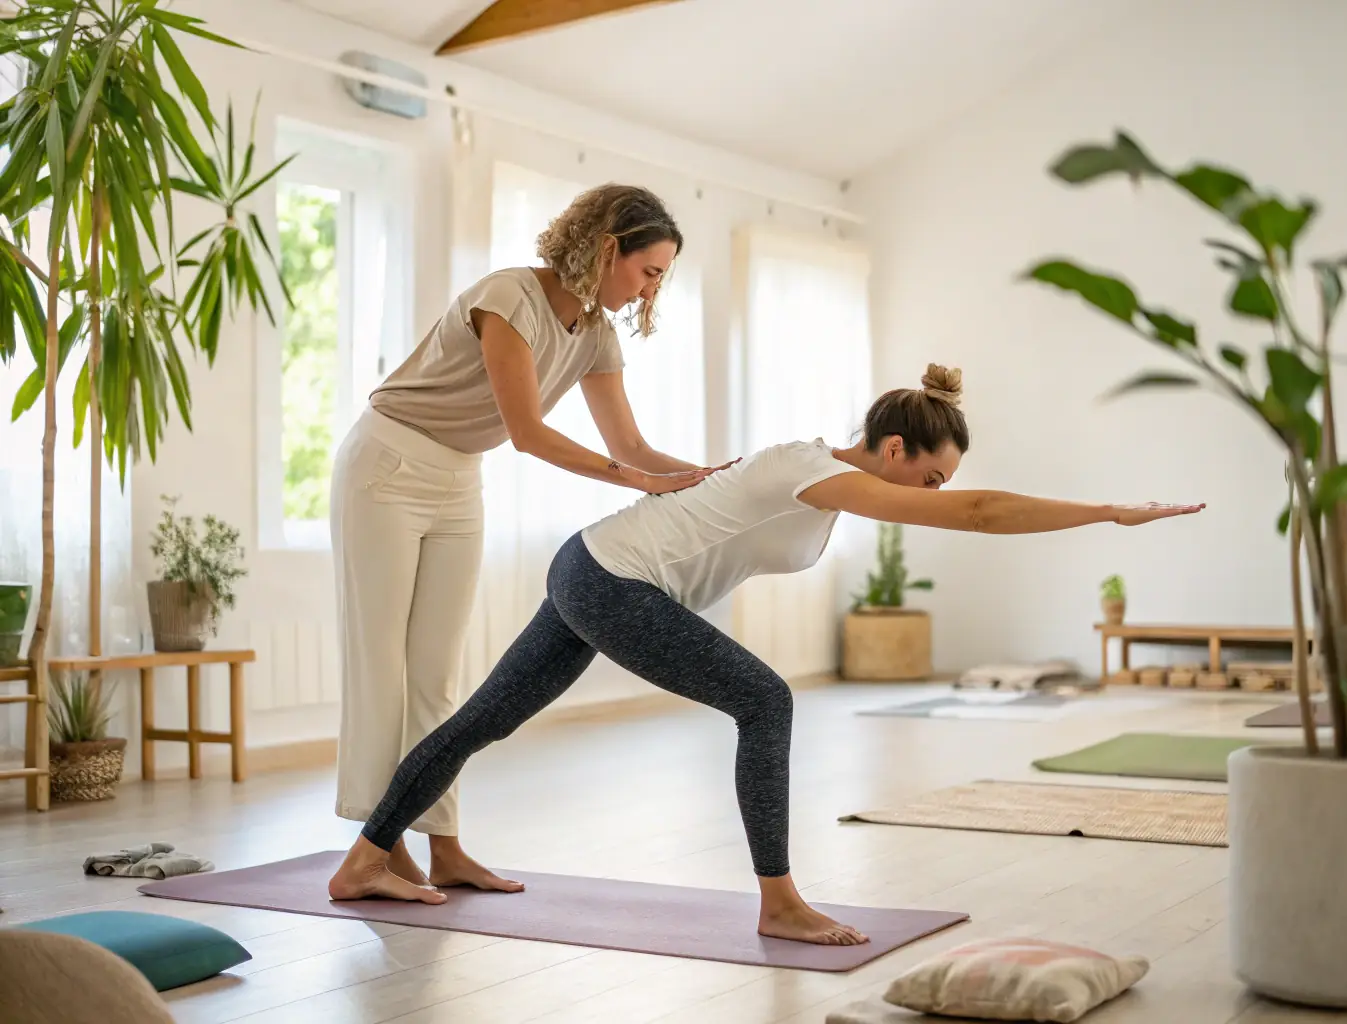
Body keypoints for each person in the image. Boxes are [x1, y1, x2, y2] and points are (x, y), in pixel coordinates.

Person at [326, 364, 1204, 946]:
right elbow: (977, 513)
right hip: (606, 576)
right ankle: (780, 902)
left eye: (938, 484)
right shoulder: (806, 466)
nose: (931, 497)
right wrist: (1106, 512)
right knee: (766, 699)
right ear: (893, 450)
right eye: (928, 477)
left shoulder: (823, 489)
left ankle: (368, 854)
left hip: (594, 567)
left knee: (486, 717)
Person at [330, 183, 722, 895]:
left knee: (436, 675)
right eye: (649, 270)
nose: (650, 289)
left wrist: (713, 476)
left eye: (660, 276)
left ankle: (442, 844)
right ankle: (375, 853)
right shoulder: (508, 296)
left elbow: (629, 442)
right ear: (608, 248)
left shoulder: (596, 334)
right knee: (380, 665)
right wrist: (640, 482)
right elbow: (529, 433)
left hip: (456, 478)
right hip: (386, 464)